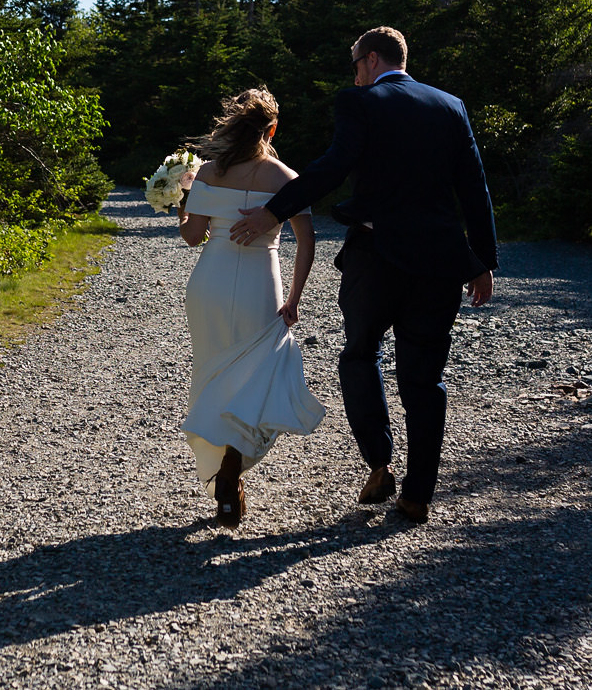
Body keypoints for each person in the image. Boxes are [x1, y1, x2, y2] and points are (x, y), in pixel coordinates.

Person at [228, 26, 495, 524]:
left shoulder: (360, 103)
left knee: (357, 357)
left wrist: (275, 211)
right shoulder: (451, 106)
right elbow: (474, 188)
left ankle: (379, 460)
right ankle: (417, 495)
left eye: (355, 64)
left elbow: (334, 166)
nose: (354, 74)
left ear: (371, 60)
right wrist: (482, 262)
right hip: (441, 264)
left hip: (376, 256)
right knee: (424, 380)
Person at [176, 87, 326, 526]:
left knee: (213, 373)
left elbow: (191, 237)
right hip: (261, 281)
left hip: (208, 284)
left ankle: (224, 473)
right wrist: (295, 298)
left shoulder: (206, 172)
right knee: (253, 379)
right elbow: (307, 241)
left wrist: (180, 205)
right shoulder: (285, 178)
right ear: (272, 129)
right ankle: (231, 469)